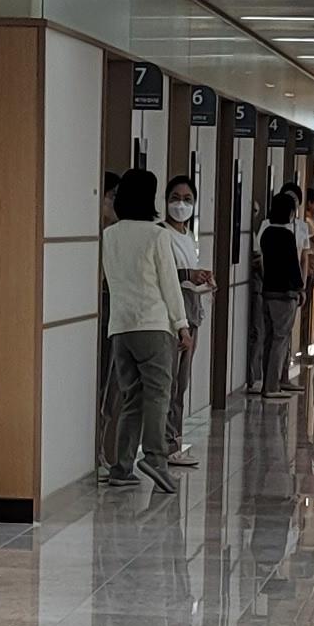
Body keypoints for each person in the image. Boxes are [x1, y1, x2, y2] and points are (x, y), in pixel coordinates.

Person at [99, 168, 188, 493]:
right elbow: (169, 284)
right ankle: (155, 457)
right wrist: (182, 325)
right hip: (153, 326)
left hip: (121, 328)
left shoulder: (110, 235)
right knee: (159, 394)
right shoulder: (157, 235)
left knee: (132, 398)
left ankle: (121, 467)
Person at [162, 175, 214, 463]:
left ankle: (175, 439)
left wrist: (201, 278)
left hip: (191, 309)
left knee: (181, 382)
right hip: (173, 313)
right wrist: (188, 275)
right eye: (175, 198)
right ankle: (166, 443)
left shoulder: (187, 236)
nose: (181, 205)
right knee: (170, 382)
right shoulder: (161, 234)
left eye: (187, 199)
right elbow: (166, 274)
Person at [254, 187, 304, 391]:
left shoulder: (266, 234)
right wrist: (301, 288)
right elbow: (293, 266)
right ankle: (272, 386)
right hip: (285, 293)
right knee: (281, 338)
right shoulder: (286, 235)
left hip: (268, 290)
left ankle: (267, 382)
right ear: (290, 212)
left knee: (269, 338)